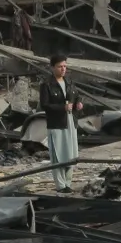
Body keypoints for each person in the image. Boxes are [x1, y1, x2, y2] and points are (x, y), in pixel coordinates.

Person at [38, 54, 83, 193]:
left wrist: (78, 103)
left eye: (65, 66)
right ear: (52, 68)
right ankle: (61, 185)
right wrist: (61, 108)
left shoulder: (68, 81)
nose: (63, 69)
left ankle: (68, 182)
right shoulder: (46, 85)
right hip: (57, 123)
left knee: (71, 153)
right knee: (58, 154)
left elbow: (76, 95)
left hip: (70, 121)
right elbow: (45, 105)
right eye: (59, 66)